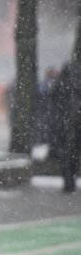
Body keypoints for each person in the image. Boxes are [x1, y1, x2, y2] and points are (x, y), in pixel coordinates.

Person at [50, 61, 81, 192]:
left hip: (68, 124)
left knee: (68, 154)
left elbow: (53, 97)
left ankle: (68, 180)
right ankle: (69, 180)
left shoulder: (63, 85)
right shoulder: (71, 86)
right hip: (71, 123)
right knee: (71, 153)